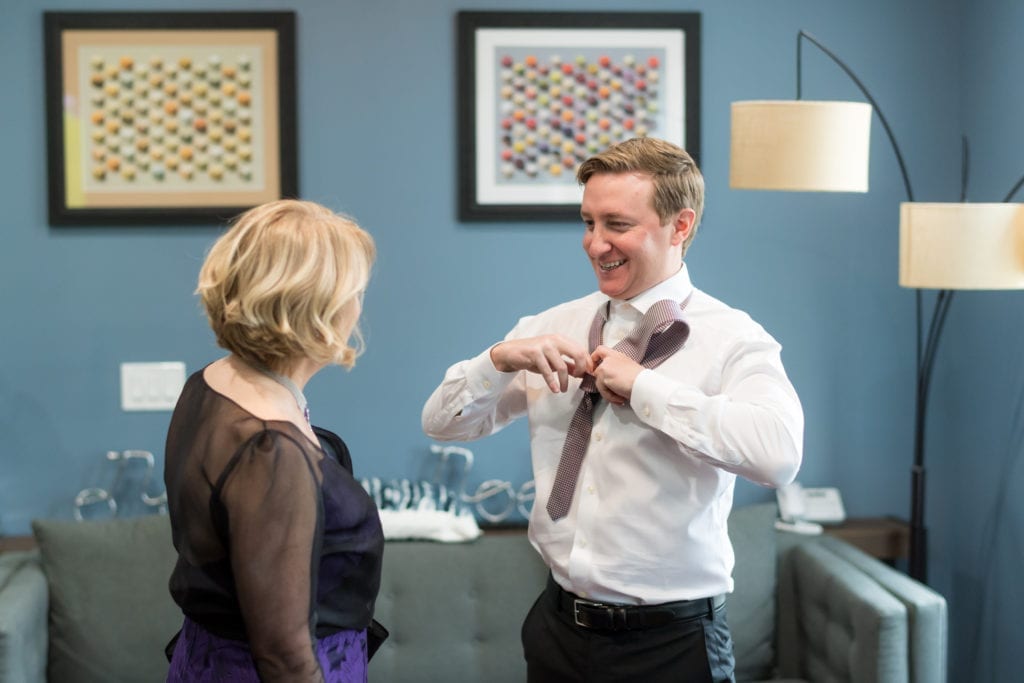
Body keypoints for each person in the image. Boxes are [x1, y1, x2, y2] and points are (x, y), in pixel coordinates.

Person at [422, 137, 803, 682]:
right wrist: (499, 359)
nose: (595, 244)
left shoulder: (733, 340)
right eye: (587, 222)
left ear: (680, 226)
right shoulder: (548, 328)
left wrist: (647, 390)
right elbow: (441, 423)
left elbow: (779, 455)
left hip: (673, 646)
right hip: (557, 631)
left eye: (617, 225)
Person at [163, 199, 386, 682]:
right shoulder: (270, 449)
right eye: (356, 291)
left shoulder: (211, 383)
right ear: (318, 307)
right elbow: (284, 656)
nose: (359, 306)